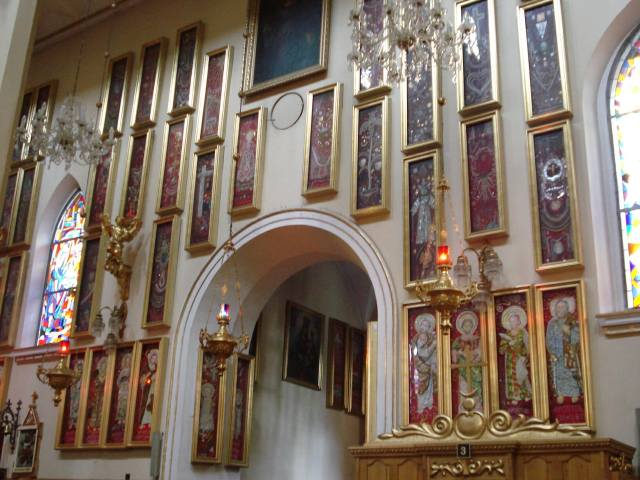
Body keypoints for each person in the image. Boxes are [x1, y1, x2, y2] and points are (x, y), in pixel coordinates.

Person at [546, 298, 582, 404]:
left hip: (569, 353)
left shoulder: (572, 321)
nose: (559, 310)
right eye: (558, 307)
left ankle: (574, 392)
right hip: (557, 354)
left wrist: (569, 334)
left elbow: (577, 337)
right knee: (558, 373)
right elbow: (549, 338)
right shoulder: (552, 323)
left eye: (562, 307)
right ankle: (560, 393)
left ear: (567, 309)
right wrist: (552, 352)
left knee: (571, 373)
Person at [498, 307, 532, 405]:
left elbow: (527, 346)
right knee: (512, 377)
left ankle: (525, 394)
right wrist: (508, 344)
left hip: (520, 359)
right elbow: (501, 350)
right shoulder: (507, 334)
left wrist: (524, 356)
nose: (513, 323)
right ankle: (515, 396)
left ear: (519, 321)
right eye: (511, 321)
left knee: (521, 376)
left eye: (515, 321)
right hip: (510, 359)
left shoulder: (523, 333)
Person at [411, 312, 437, 413]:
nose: (425, 327)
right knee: (422, 385)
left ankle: (429, 403)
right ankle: (421, 405)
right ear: (420, 326)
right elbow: (424, 354)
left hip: (429, 365)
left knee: (430, 385)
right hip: (421, 366)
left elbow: (434, 354)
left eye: (427, 325)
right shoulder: (420, 338)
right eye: (423, 325)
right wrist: (433, 345)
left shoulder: (430, 337)